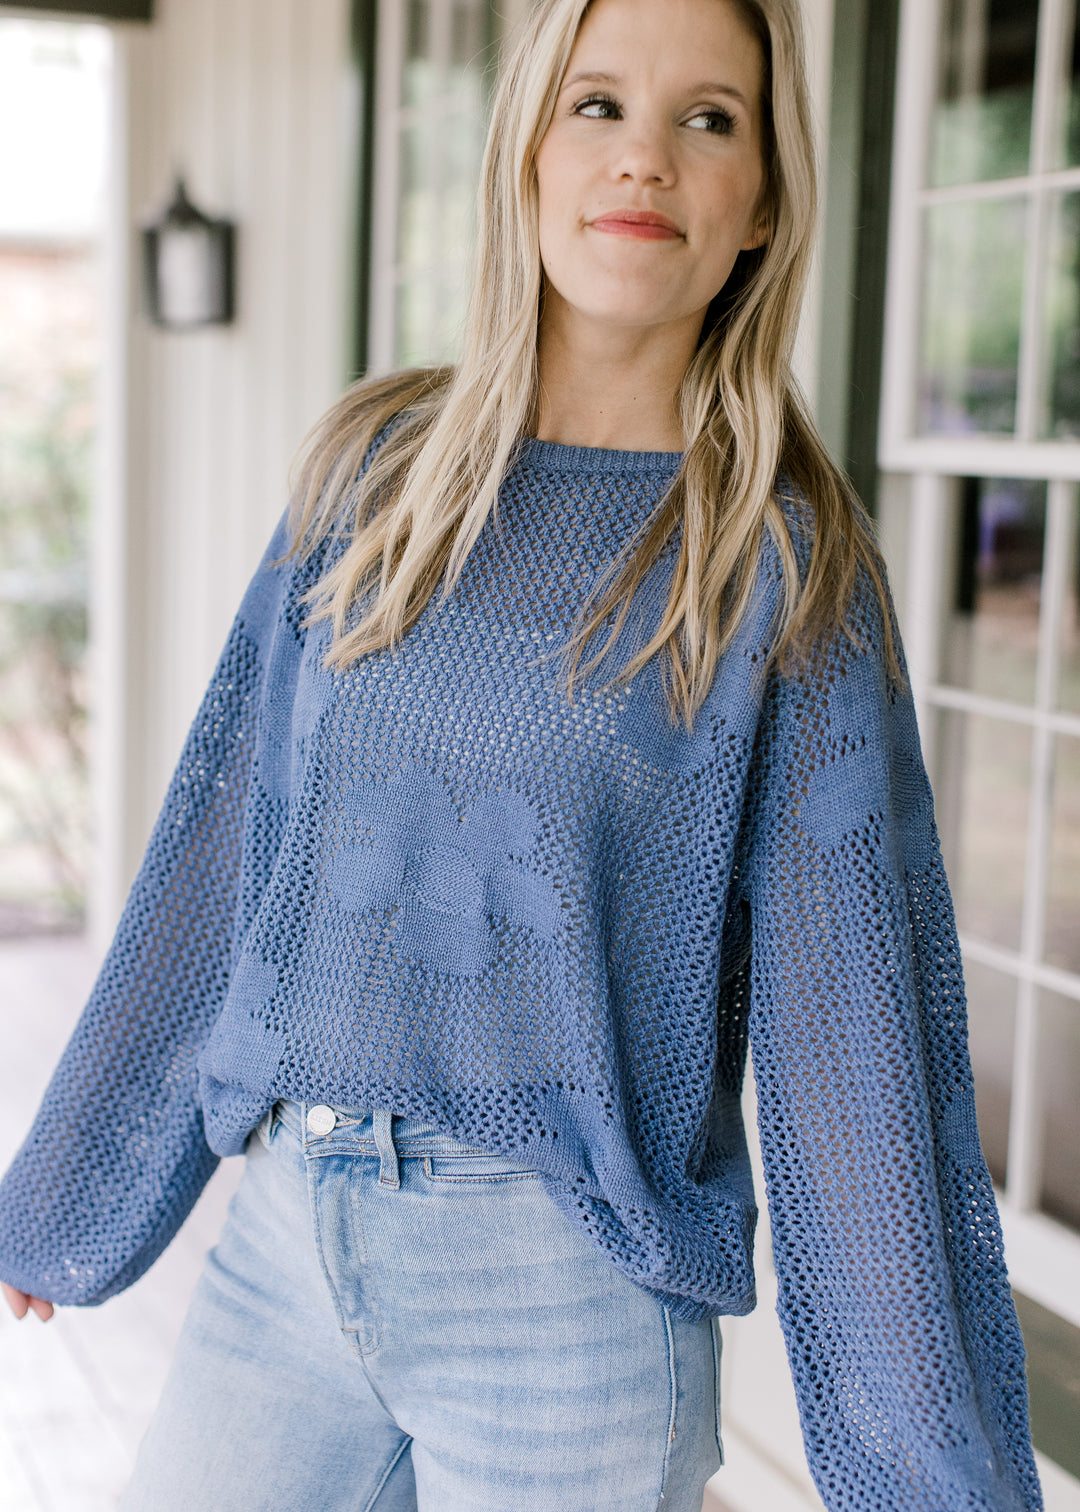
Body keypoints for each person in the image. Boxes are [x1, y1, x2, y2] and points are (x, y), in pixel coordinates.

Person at [0, 0, 1043, 1507]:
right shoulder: (375, 472)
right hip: (286, 1245)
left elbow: (857, 1046)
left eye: (711, 119)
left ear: (762, 201)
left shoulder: (775, 570)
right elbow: (227, 844)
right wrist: (80, 1182)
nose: (648, 161)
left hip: (570, 1304)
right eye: (599, 104)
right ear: (527, 151)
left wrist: (930, 1478)